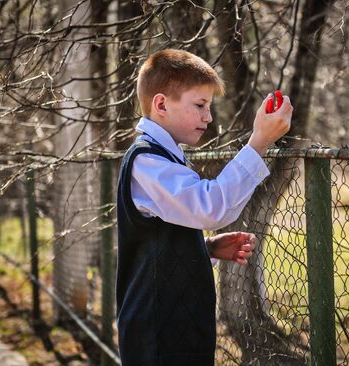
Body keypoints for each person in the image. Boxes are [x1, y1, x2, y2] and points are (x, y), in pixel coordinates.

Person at [116, 48, 293, 365]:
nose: (208, 117)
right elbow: (210, 206)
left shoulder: (163, 157)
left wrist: (205, 248)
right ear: (161, 104)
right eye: (200, 105)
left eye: (209, 107)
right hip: (159, 335)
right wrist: (258, 143)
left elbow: (157, 238)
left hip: (170, 328)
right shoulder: (148, 161)